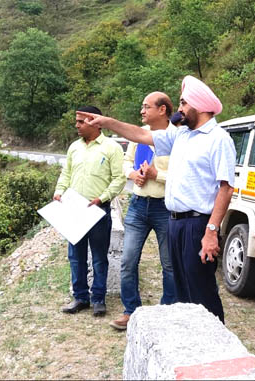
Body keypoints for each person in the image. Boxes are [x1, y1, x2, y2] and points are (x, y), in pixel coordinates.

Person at [76, 76, 235, 323]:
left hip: (197, 224)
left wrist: (211, 230)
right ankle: (184, 335)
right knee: (182, 287)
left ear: (199, 105)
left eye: (183, 103)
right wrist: (108, 122)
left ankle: (214, 344)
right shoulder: (183, 135)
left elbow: (226, 188)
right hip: (175, 222)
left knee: (201, 289)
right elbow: (140, 134)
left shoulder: (218, 139)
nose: (179, 109)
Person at [110, 92, 177, 331]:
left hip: (164, 208)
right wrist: (133, 174)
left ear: (162, 110)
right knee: (128, 260)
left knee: (169, 264)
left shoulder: (177, 137)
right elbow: (126, 163)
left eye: (146, 107)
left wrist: (156, 175)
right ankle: (131, 311)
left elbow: (183, 177)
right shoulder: (138, 135)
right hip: (138, 206)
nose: (142, 111)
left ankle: (166, 309)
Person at [54, 106, 126, 317]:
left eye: (81, 121)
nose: (76, 125)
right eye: (76, 121)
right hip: (74, 209)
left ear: (95, 122)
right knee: (75, 256)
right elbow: (66, 173)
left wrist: (102, 198)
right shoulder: (74, 147)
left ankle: (98, 299)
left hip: (98, 210)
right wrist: (59, 191)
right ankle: (80, 297)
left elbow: (119, 179)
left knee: (98, 257)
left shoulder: (111, 147)